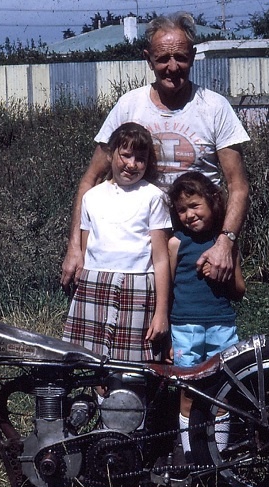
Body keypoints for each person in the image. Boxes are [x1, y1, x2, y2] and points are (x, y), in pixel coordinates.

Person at [61, 12, 250, 292]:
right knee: (143, 325)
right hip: (138, 241)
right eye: (163, 59)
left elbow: (238, 186)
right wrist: (75, 247)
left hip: (198, 240)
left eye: (181, 58)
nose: (172, 67)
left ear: (193, 55)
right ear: (148, 59)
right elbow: (90, 180)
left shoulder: (214, 107)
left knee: (201, 322)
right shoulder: (129, 106)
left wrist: (225, 243)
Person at [62, 122, 172, 362]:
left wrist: (161, 312)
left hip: (138, 287)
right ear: (111, 154)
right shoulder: (92, 197)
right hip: (94, 284)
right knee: (91, 364)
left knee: (134, 369)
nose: (132, 164)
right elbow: (86, 249)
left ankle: (132, 400)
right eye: (126, 155)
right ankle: (97, 400)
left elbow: (161, 259)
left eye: (140, 159)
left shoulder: (153, 197)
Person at [167, 171, 246, 458]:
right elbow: (167, 290)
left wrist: (220, 275)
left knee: (220, 390)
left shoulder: (226, 244)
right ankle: (190, 456)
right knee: (187, 391)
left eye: (194, 205)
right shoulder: (175, 243)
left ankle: (218, 457)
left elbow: (239, 290)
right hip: (185, 327)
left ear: (212, 202)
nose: (189, 215)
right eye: (182, 210)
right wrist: (166, 335)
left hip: (221, 326)